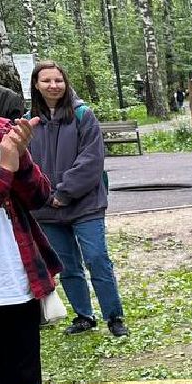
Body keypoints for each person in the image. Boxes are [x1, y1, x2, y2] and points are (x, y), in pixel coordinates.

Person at [27, 60, 129, 337]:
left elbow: (91, 160)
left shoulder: (83, 116)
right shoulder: (28, 122)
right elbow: (25, 164)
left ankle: (114, 316)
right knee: (67, 265)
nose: (53, 86)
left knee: (96, 258)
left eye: (58, 80)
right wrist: (43, 194)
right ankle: (84, 315)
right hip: (47, 208)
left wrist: (64, 192)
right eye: (46, 81)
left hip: (85, 204)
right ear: (36, 84)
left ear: (65, 82)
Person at [0, 111, 60, 384]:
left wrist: (21, 159)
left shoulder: (3, 131)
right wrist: (6, 165)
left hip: (14, 286)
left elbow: (39, 195)